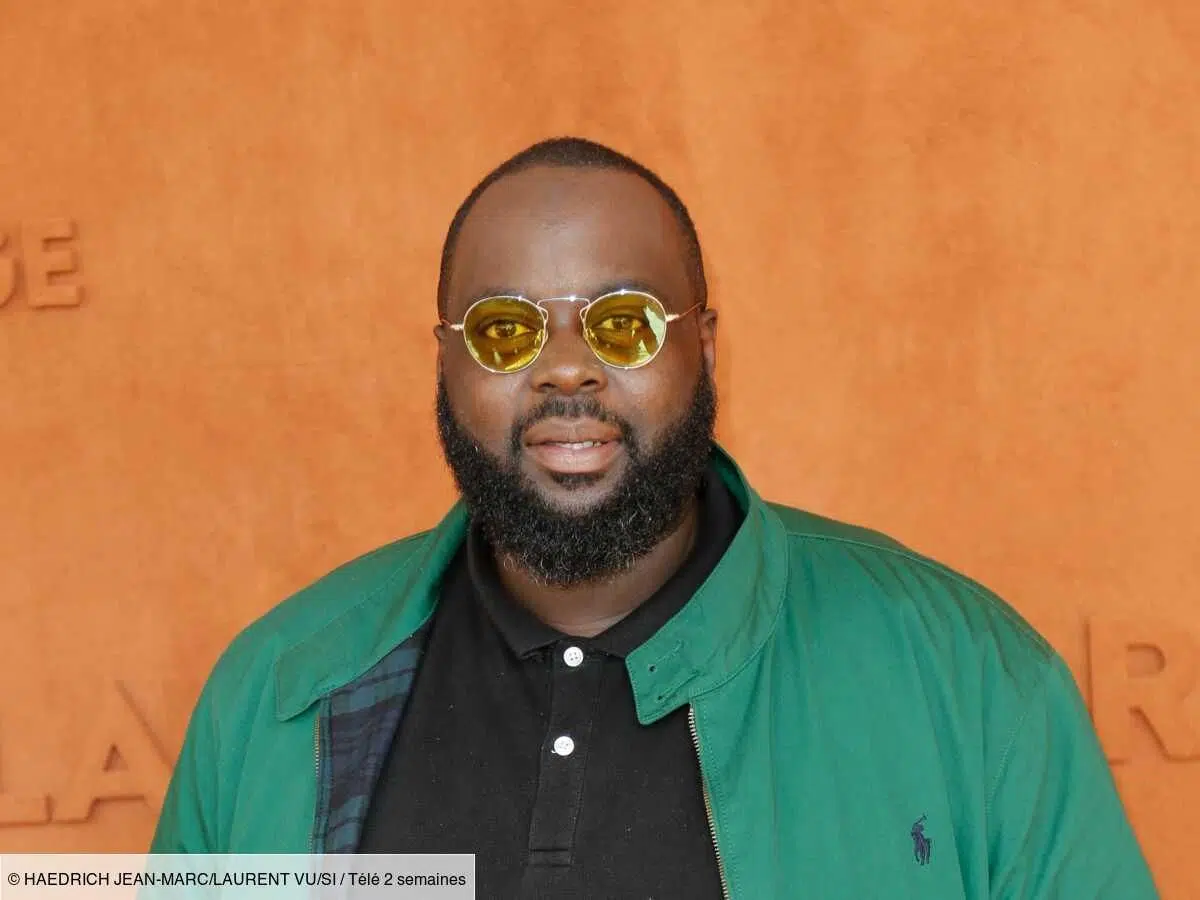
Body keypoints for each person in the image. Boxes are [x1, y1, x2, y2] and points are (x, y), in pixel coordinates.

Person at [151, 137, 1159, 898]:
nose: (566, 368)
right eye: (506, 330)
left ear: (705, 349)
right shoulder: (277, 696)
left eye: (623, 321)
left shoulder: (966, 675)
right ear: (447, 361)